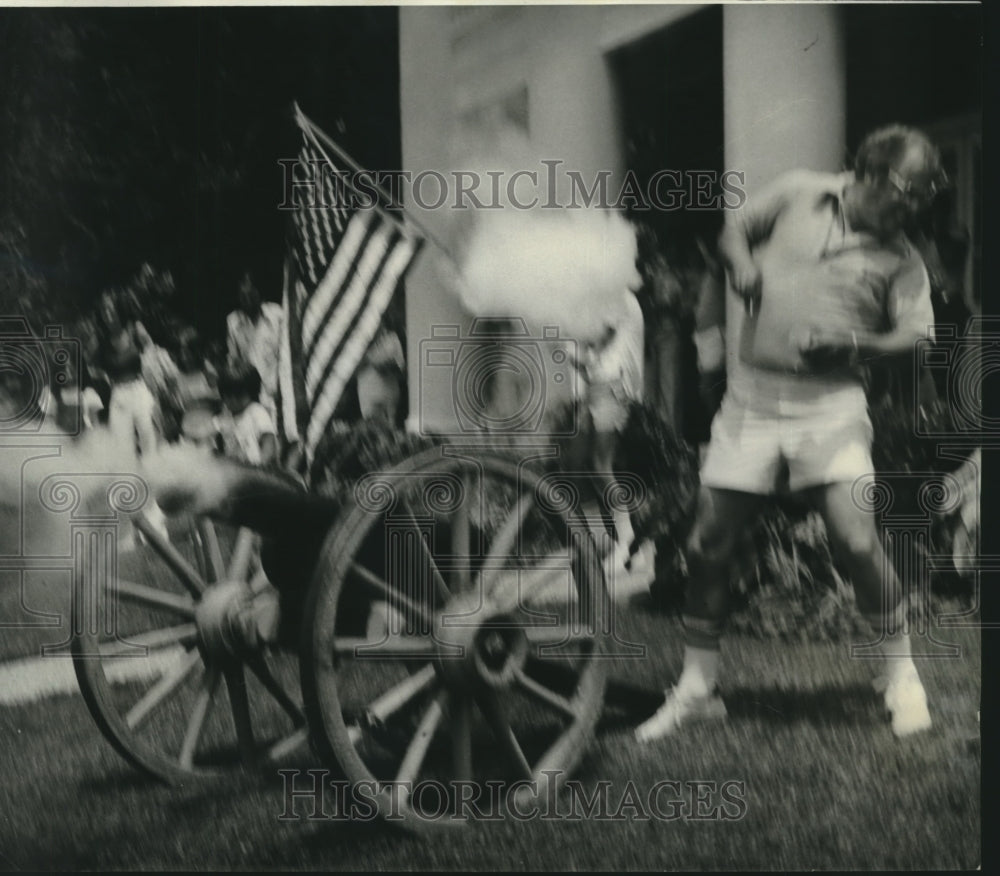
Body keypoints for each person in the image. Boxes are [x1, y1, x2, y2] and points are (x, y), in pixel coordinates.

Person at [636, 125, 944, 742]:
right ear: (870, 173)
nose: (915, 208)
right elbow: (733, 230)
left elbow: (919, 339)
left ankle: (901, 674)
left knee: (856, 540)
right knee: (706, 544)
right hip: (751, 401)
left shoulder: (902, 257)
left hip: (831, 407)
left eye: (926, 196)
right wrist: (743, 264)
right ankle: (699, 687)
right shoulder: (800, 192)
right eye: (908, 193)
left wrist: (855, 343)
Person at [578, 288, 645, 573]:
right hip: (603, 384)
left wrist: (568, 347)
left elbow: (597, 338)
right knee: (585, 464)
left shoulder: (615, 296)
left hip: (613, 386)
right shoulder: (611, 293)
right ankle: (606, 542)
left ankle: (629, 545)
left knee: (601, 465)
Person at [226, 272, 283, 425]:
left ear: (259, 294)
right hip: (248, 398)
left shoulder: (277, 315)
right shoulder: (233, 321)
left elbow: (287, 356)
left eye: (250, 295)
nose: (246, 301)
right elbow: (233, 361)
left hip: (275, 393)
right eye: (242, 296)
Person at [213, 361, 278, 467]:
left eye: (238, 396)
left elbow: (268, 442)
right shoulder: (224, 416)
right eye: (227, 396)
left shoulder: (256, 412)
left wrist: (262, 465)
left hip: (255, 470)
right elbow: (215, 439)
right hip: (233, 470)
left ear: (251, 393)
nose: (232, 400)